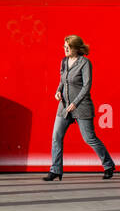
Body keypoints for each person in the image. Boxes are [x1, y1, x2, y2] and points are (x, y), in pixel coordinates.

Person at [43, 35, 115, 181]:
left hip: (81, 106)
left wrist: (75, 103)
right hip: (64, 106)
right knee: (56, 137)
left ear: (76, 48)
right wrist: (58, 91)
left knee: (89, 138)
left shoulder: (85, 63)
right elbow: (62, 80)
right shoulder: (64, 61)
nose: (65, 49)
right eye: (64, 46)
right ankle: (55, 170)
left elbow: (87, 86)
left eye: (68, 47)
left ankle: (108, 165)